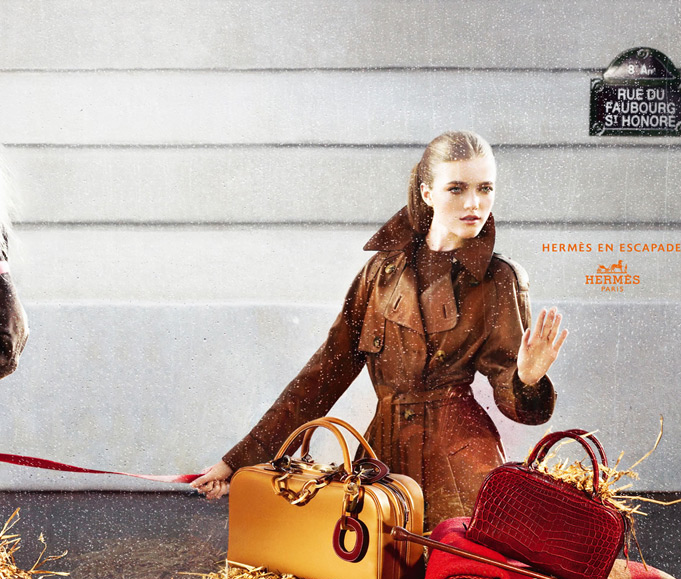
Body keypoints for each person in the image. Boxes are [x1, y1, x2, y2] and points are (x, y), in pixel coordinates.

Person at [191, 131, 567, 529]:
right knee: (369, 559)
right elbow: (322, 376)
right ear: (427, 193)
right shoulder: (380, 274)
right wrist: (237, 461)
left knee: (451, 561)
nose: (474, 203)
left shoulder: (498, 279)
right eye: (457, 188)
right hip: (382, 459)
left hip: (460, 467)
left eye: (485, 188)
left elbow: (513, 397)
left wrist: (527, 378)